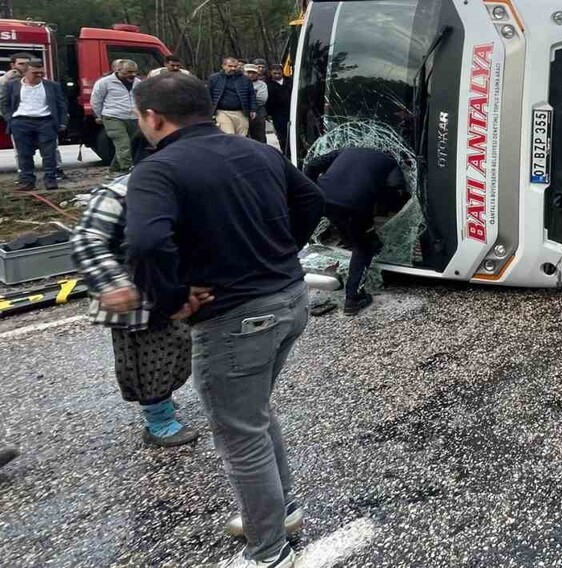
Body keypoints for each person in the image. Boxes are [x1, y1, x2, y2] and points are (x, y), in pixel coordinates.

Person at [126, 73, 325, 568]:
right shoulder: (257, 150)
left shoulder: (157, 169)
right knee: (253, 415)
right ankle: (281, 512)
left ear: (153, 117)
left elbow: (146, 243)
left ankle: (268, 552)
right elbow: (311, 200)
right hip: (291, 299)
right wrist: (282, 252)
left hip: (236, 318)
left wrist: (171, 299)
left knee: (239, 433)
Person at [70, 173, 199, 447]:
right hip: (129, 293)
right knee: (145, 359)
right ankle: (158, 420)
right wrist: (113, 284)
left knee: (176, 346)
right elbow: (87, 239)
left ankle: (161, 398)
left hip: (169, 287)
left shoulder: (184, 181)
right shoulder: (118, 193)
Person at [304, 148, 408, 315]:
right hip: (355, 204)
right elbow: (396, 191)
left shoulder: (346, 150)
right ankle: (354, 298)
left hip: (322, 198)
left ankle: (353, 240)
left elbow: (312, 165)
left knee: (343, 221)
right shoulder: (390, 162)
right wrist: (379, 201)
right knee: (364, 247)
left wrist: (311, 189)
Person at [2, 61, 66, 191]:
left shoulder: (52, 86)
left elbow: (62, 105)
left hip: (45, 122)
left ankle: (50, 180)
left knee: (49, 154)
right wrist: (11, 119)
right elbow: (4, 103)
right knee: (24, 154)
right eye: (35, 73)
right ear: (25, 72)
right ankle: (27, 181)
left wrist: (62, 122)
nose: (39, 75)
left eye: (41, 72)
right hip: (21, 122)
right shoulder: (12, 85)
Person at [91, 59, 143, 173]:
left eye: (135, 72)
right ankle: (127, 169)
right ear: (118, 70)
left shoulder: (138, 83)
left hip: (133, 118)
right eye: (129, 72)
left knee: (131, 144)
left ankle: (114, 170)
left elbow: (140, 99)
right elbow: (96, 100)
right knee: (123, 144)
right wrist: (101, 115)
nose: (133, 74)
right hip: (113, 117)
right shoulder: (104, 82)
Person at [208, 57, 255, 136]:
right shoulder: (214, 78)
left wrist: (253, 109)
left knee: (242, 137)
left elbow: (251, 95)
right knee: (229, 135)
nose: (233, 68)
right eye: (230, 66)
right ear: (223, 66)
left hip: (241, 112)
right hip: (222, 112)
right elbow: (209, 95)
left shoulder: (245, 79)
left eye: (235, 66)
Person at [266, 66, 292, 154]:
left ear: (282, 72)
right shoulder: (268, 84)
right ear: (271, 72)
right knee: (282, 135)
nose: (277, 75)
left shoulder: (289, 81)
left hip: (291, 110)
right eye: (275, 73)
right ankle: (285, 152)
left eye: (279, 73)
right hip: (277, 113)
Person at [245, 64, 270, 144]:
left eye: (253, 72)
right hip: (243, 112)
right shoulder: (239, 83)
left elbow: (262, 99)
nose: (251, 75)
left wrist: (246, 100)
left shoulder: (262, 85)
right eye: (248, 72)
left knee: (259, 137)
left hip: (259, 112)